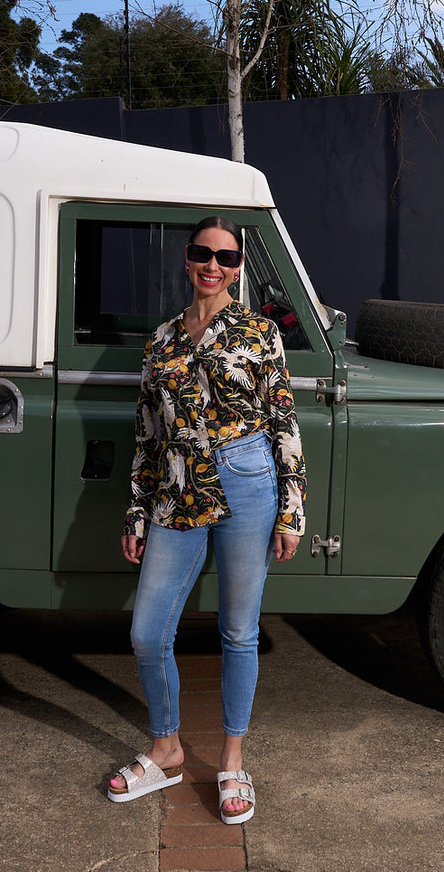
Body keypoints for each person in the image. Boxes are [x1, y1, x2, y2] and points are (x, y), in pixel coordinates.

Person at [107, 215, 306, 825]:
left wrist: (291, 510)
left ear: (239, 266)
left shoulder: (260, 332)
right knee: (147, 633)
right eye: (202, 253)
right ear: (188, 259)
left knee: (239, 631)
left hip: (248, 481)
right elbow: (147, 434)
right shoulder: (162, 339)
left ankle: (231, 761)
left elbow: (283, 420)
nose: (212, 265)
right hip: (175, 487)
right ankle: (166, 748)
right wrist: (137, 510)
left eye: (226, 256)